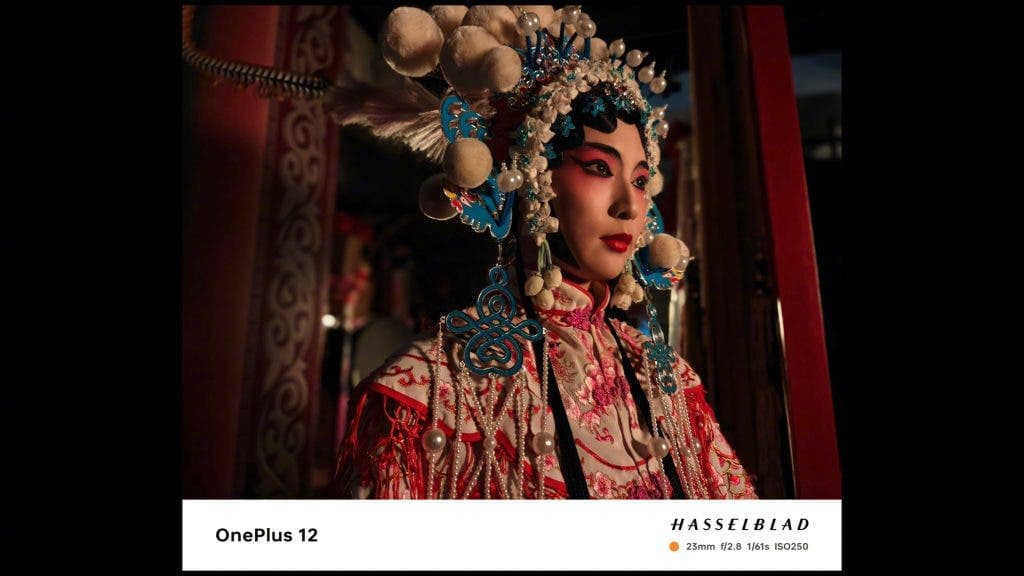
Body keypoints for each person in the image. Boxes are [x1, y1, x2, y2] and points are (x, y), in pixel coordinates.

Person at [330, 6, 757, 500]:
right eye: (599, 168)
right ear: (533, 179)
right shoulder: (431, 388)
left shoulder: (667, 379)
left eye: (641, 180)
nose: (628, 205)